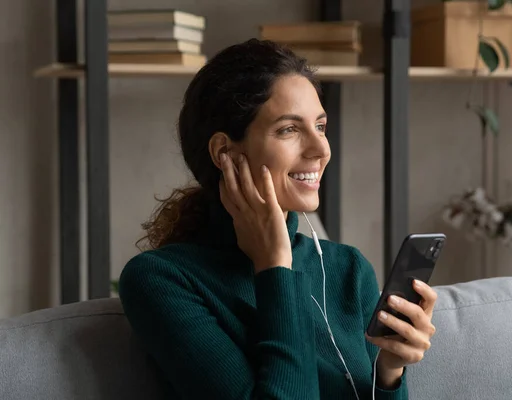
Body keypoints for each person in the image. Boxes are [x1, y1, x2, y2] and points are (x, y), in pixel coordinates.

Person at [118, 38, 438, 400]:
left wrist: (389, 371)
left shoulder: (348, 269)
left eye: (319, 126)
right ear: (225, 152)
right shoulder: (162, 280)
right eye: (289, 129)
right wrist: (274, 267)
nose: (321, 150)